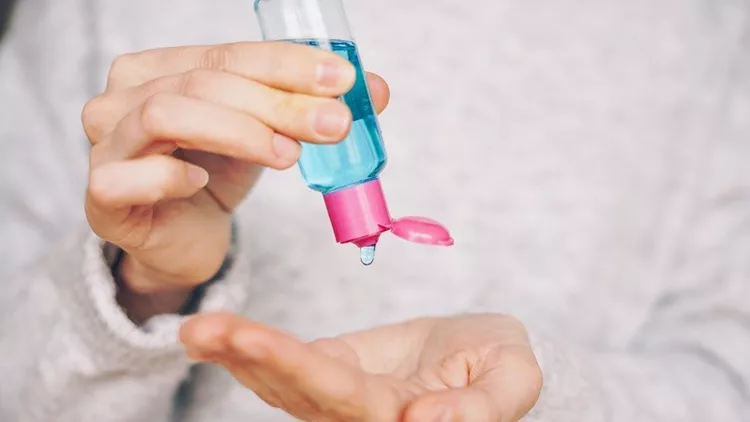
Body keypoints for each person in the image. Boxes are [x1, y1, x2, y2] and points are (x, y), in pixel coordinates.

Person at [1, 0, 748, 421]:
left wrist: (541, 395)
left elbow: (731, 379)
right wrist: (140, 288)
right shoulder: (91, 13)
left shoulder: (706, 28)